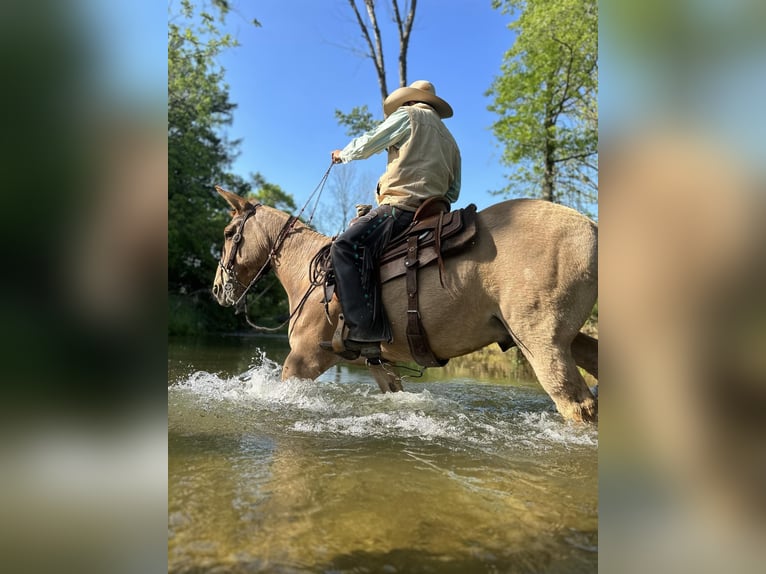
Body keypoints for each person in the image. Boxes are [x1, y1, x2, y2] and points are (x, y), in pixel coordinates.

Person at [321, 80, 462, 362]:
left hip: (402, 207)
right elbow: (453, 191)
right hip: (434, 213)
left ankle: (364, 331)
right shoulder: (451, 140)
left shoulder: (408, 116)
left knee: (346, 247)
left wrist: (342, 154)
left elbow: (370, 142)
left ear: (409, 101)